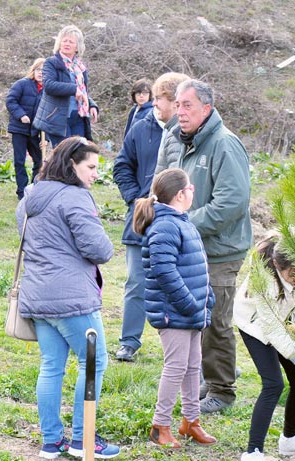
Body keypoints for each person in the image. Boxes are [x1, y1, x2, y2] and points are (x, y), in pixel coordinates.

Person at [16, 137, 119, 459]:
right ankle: (83, 438)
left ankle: (51, 439)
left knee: (51, 366)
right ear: (71, 164)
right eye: (90, 167)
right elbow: (100, 249)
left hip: (36, 296)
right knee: (94, 362)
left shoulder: (30, 196)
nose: (95, 174)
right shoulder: (75, 198)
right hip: (70, 298)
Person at [156, 79, 252, 414]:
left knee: (216, 322)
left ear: (206, 109)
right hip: (189, 249)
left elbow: (232, 203)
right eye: (178, 105)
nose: (179, 112)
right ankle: (203, 382)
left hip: (220, 250)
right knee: (195, 318)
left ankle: (222, 390)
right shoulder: (180, 143)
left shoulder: (225, 145)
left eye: (187, 106)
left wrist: (184, 224)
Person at [132, 168, 215, 448]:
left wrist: (207, 298)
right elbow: (164, 271)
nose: (193, 191)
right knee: (176, 367)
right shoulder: (166, 225)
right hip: (175, 312)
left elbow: (196, 266)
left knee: (193, 367)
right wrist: (190, 304)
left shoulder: (182, 221)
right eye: (190, 188)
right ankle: (160, 425)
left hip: (191, 311)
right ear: (180, 194)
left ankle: (191, 422)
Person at [111, 72, 188, 363]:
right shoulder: (141, 128)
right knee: (136, 282)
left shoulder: (188, 133)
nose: (153, 104)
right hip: (142, 220)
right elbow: (122, 165)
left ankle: (193, 352)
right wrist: (135, 198)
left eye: (160, 98)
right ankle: (129, 341)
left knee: (182, 283)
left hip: (178, 222)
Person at [235, 235, 295, 461]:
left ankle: (290, 439)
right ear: (278, 266)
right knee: (273, 384)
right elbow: (273, 330)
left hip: (284, 318)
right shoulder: (263, 279)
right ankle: (252, 453)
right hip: (256, 324)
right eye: (292, 276)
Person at [32, 25, 98, 147]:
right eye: (64, 41)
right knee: (64, 156)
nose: (67, 44)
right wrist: (73, 89)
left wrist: (92, 105)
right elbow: (49, 85)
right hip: (58, 118)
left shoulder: (80, 67)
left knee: (79, 153)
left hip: (78, 116)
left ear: (77, 47)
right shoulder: (51, 62)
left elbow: (83, 91)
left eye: (71, 42)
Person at [5, 58, 44, 200]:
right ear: (33, 71)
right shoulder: (22, 84)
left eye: (44, 71)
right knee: (19, 160)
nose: (41, 73)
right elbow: (10, 101)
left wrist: (46, 136)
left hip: (36, 131)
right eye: (38, 70)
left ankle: (34, 188)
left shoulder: (48, 90)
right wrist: (21, 115)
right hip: (19, 129)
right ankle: (21, 191)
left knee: (39, 160)